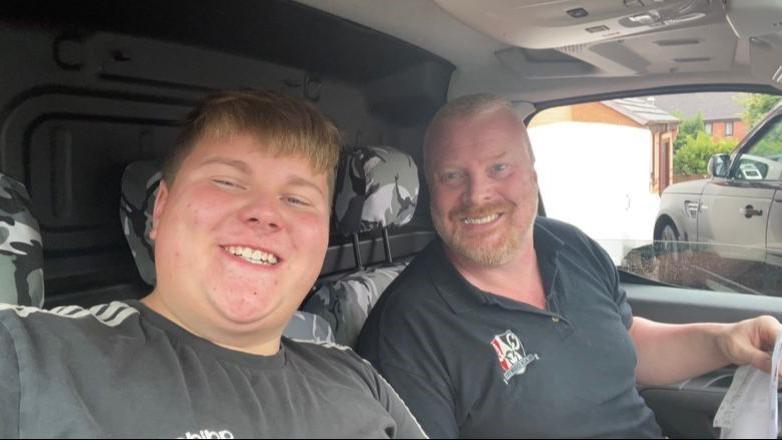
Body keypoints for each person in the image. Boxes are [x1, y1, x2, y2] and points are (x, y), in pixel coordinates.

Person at [0, 90, 425, 438]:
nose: (265, 212)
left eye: (296, 199)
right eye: (227, 181)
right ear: (160, 210)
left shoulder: (355, 377)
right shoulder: (31, 356)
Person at [356, 93, 782, 438]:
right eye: (452, 176)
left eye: (499, 167)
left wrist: (726, 341)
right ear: (432, 189)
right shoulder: (408, 329)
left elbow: (625, 342)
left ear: (532, 176)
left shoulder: (568, 244)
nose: (477, 195)